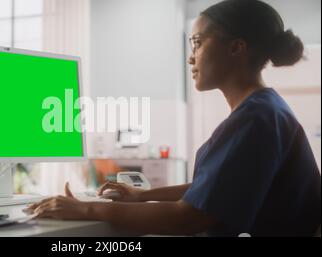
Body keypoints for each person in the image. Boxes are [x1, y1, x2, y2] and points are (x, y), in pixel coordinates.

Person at [27, 0, 321, 236]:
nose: (191, 57)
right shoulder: (265, 109)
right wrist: (141, 196)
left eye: (197, 42)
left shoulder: (257, 118)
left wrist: (86, 210)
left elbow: (189, 218)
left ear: (236, 48)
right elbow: (216, 189)